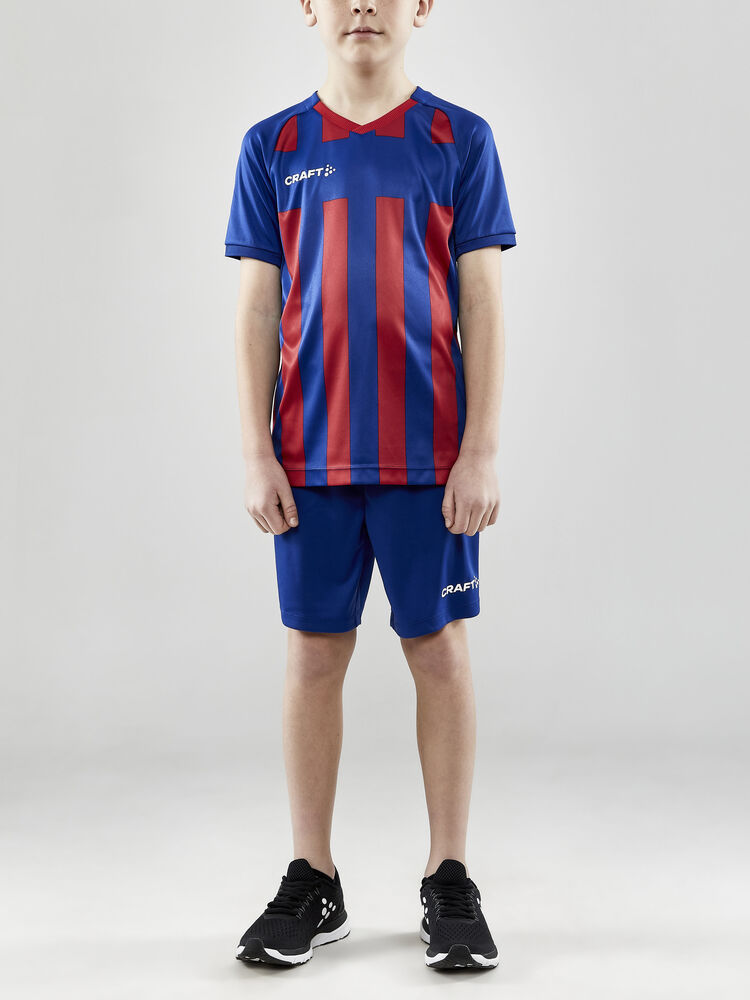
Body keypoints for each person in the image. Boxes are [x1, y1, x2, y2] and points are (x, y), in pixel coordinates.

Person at [225, 0, 516, 971]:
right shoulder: (272, 146)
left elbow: (481, 299)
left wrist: (480, 449)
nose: (361, 4)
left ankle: (449, 875)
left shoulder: (459, 139)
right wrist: (256, 450)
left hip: (429, 460)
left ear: (421, 6)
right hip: (310, 459)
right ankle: (314, 876)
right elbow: (257, 307)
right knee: (314, 656)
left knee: (439, 652)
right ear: (307, 7)